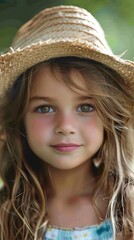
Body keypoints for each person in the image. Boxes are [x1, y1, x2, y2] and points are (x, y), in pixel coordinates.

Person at [0, 5, 134, 240]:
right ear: (19, 118)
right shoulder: (6, 215)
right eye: (45, 108)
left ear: (109, 116)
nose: (65, 125)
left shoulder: (128, 210)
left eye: (85, 107)